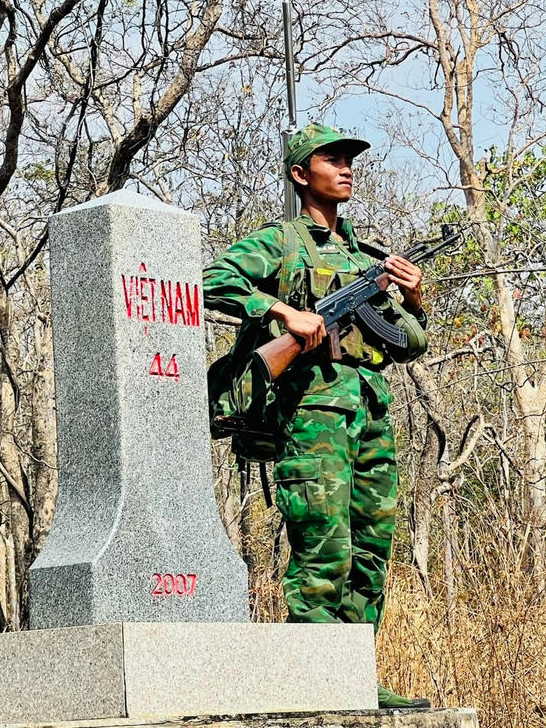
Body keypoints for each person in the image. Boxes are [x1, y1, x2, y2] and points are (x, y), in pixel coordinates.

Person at [202, 123, 432, 710]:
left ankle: (354, 677)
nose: (346, 167)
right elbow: (208, 283)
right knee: (323, 549)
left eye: (349, 159)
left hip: (370, 419)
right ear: (302, 174)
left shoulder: (368, 258)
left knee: (371, 550)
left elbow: (409, 343)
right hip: (312, 417)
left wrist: (414, 298)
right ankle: (316, 682)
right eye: (332, 159)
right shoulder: (278, 243)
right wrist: (283, 312)